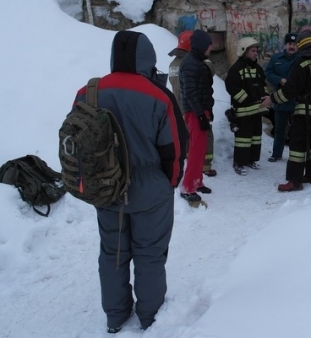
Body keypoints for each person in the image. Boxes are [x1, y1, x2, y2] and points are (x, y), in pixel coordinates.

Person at [71, 30, 188, 332]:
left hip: (107, 187)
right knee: (149, 254)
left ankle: (115, 315)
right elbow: (174, 149)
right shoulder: (159, 96)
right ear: (147, 57)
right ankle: (150, 316)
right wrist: (170, 183)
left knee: (113, 253)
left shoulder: (88, 92)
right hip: (150, 190)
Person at [271, 30, 311, 192]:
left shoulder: (301, 63)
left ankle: (294, 181)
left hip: (305, 113)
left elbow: (290, 90)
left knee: (297, 146)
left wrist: (273, 99)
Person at [169, 31, 218, 179]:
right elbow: (195, 88)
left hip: (180, 106)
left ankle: (191, 164)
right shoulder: (195, 63)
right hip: (194, 107)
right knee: (203, 137)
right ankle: (205, 166)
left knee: (187, 136)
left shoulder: (173, 64)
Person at [225, 37, 271, 175]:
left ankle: (251, 160)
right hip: (243, 112)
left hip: (257, 111)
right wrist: (246, 100)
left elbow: (264, 85)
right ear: (244, 51)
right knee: (242, 140)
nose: (255, 53)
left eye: (256, 50)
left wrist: (265, 99)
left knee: (256, 138)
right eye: (253, 51)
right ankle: (239, 163)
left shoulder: (257, 69)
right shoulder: (236, 69)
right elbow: (231, 86)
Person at [178, 29, 215, 202]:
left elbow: (202, 90)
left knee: (200, 150)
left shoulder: (197, 61)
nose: (211, 48)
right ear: (201, 46)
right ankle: (187, 187)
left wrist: (208, 111)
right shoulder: (190, 63)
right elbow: (190, 92)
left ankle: (197, 181)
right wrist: (200, 114)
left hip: (200, 110)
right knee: (195, 150)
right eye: (209, 45)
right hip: (194, 112)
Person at [265, 32, 298, 162]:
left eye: (294, 44)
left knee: (296, 131)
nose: (292, 46)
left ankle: (296, 156)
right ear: (285, 45)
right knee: (279, 129)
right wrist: (279, 80)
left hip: (296, 103)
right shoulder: (276, 59)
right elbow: (268, 72)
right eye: (290, 44)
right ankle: (276, 154)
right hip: (280, 102)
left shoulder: (301, 59)